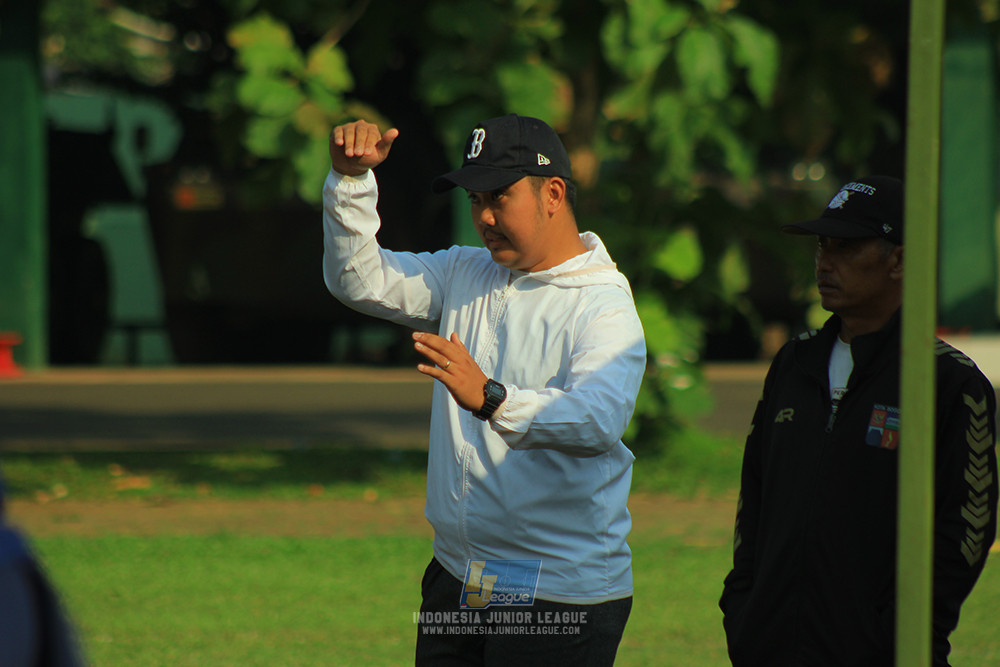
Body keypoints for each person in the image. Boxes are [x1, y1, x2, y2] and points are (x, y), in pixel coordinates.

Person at [323, 113, 645, 665]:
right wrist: (351, 183)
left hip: (557, 591)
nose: (486, 217)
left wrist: (493, 398)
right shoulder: (466, 272)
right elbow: (360, 281)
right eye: (475, 200)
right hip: (466, 575)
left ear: (554, 193)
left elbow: (598, 420)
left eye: (499, 196)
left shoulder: (602, 304)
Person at [719, 175, 998, 666]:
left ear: (900, 260)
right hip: (770, 646)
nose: (825, 261)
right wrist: (743, 609)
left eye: (847, 247)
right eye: (823, 245)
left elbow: (967, 528)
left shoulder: (946, 382)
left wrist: (905, 631)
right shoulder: (793, 363)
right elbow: (755, 500)